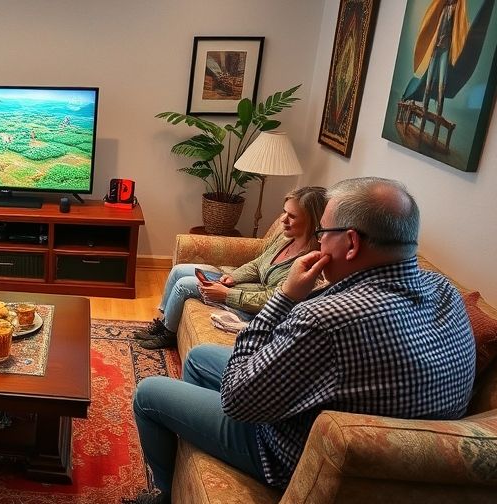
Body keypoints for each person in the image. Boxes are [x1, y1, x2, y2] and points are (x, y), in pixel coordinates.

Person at [131, 177, 475, 503]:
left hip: (288, 452)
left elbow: (237, 399)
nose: (319, 241)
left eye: (323, 232)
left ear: (352, 242)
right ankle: (200, 442)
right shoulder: (444, 290)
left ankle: (166, 493)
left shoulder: (328, 319)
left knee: (148, 394)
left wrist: (285, 297)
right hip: (377, 443)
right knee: (200, 357)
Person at [136, 186, 328, 349]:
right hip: (243, 285)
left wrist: (226, 294)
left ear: (313, 221)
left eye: (292, 216)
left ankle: (168, 335)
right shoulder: (285, 238)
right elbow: (258, 263)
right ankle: (164, 323)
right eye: (284, 212)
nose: (283, 220)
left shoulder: (307, 263)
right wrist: (234, 276)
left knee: (185, 285)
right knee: (179, 270)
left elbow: (275, 299)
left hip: (250, 303)